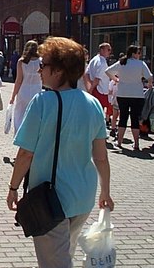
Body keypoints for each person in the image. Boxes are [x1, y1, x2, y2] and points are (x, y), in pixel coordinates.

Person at [6, 37, 114, 268]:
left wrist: (13, 187)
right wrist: (105, 191)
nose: (39, 69)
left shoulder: (42, 102)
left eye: (43, 64)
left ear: (58, 71)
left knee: (55, 263)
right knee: (64, 256)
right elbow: (101, 157)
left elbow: (26, 154)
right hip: (83, 196)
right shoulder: (92, 103)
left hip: (51, 199)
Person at [105, 45, 153, 151]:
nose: (139, 55)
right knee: (135, 118)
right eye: (138, 53)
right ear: (134, 53)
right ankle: (136, 144)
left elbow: (107, 71)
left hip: (123, 93)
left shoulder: (122, 63)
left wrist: (116, 79)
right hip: (137, 94)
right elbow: (149, 76)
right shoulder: (140, 64)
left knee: (123, 118)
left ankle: (119, 142)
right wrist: (149, 84)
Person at [9, 40, 42, 135]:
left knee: (20, 112)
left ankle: (20, 132)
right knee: (35, 113)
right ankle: (33, 133)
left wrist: (13, 96)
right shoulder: (41, 61)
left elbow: (18, 80)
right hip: (37, 90)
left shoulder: (22, 61)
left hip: (24, 90)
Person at [84, 43, 112, 122]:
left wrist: (89, 86)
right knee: (99, 111)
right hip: (100, 89)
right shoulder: (102, 63)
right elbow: (97, 78)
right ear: (102, 50)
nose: (110, 52)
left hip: (95, 88)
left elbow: (87, 74)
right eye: (108, 50)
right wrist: (91, 88)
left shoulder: (94, 59)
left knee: (94, 110)